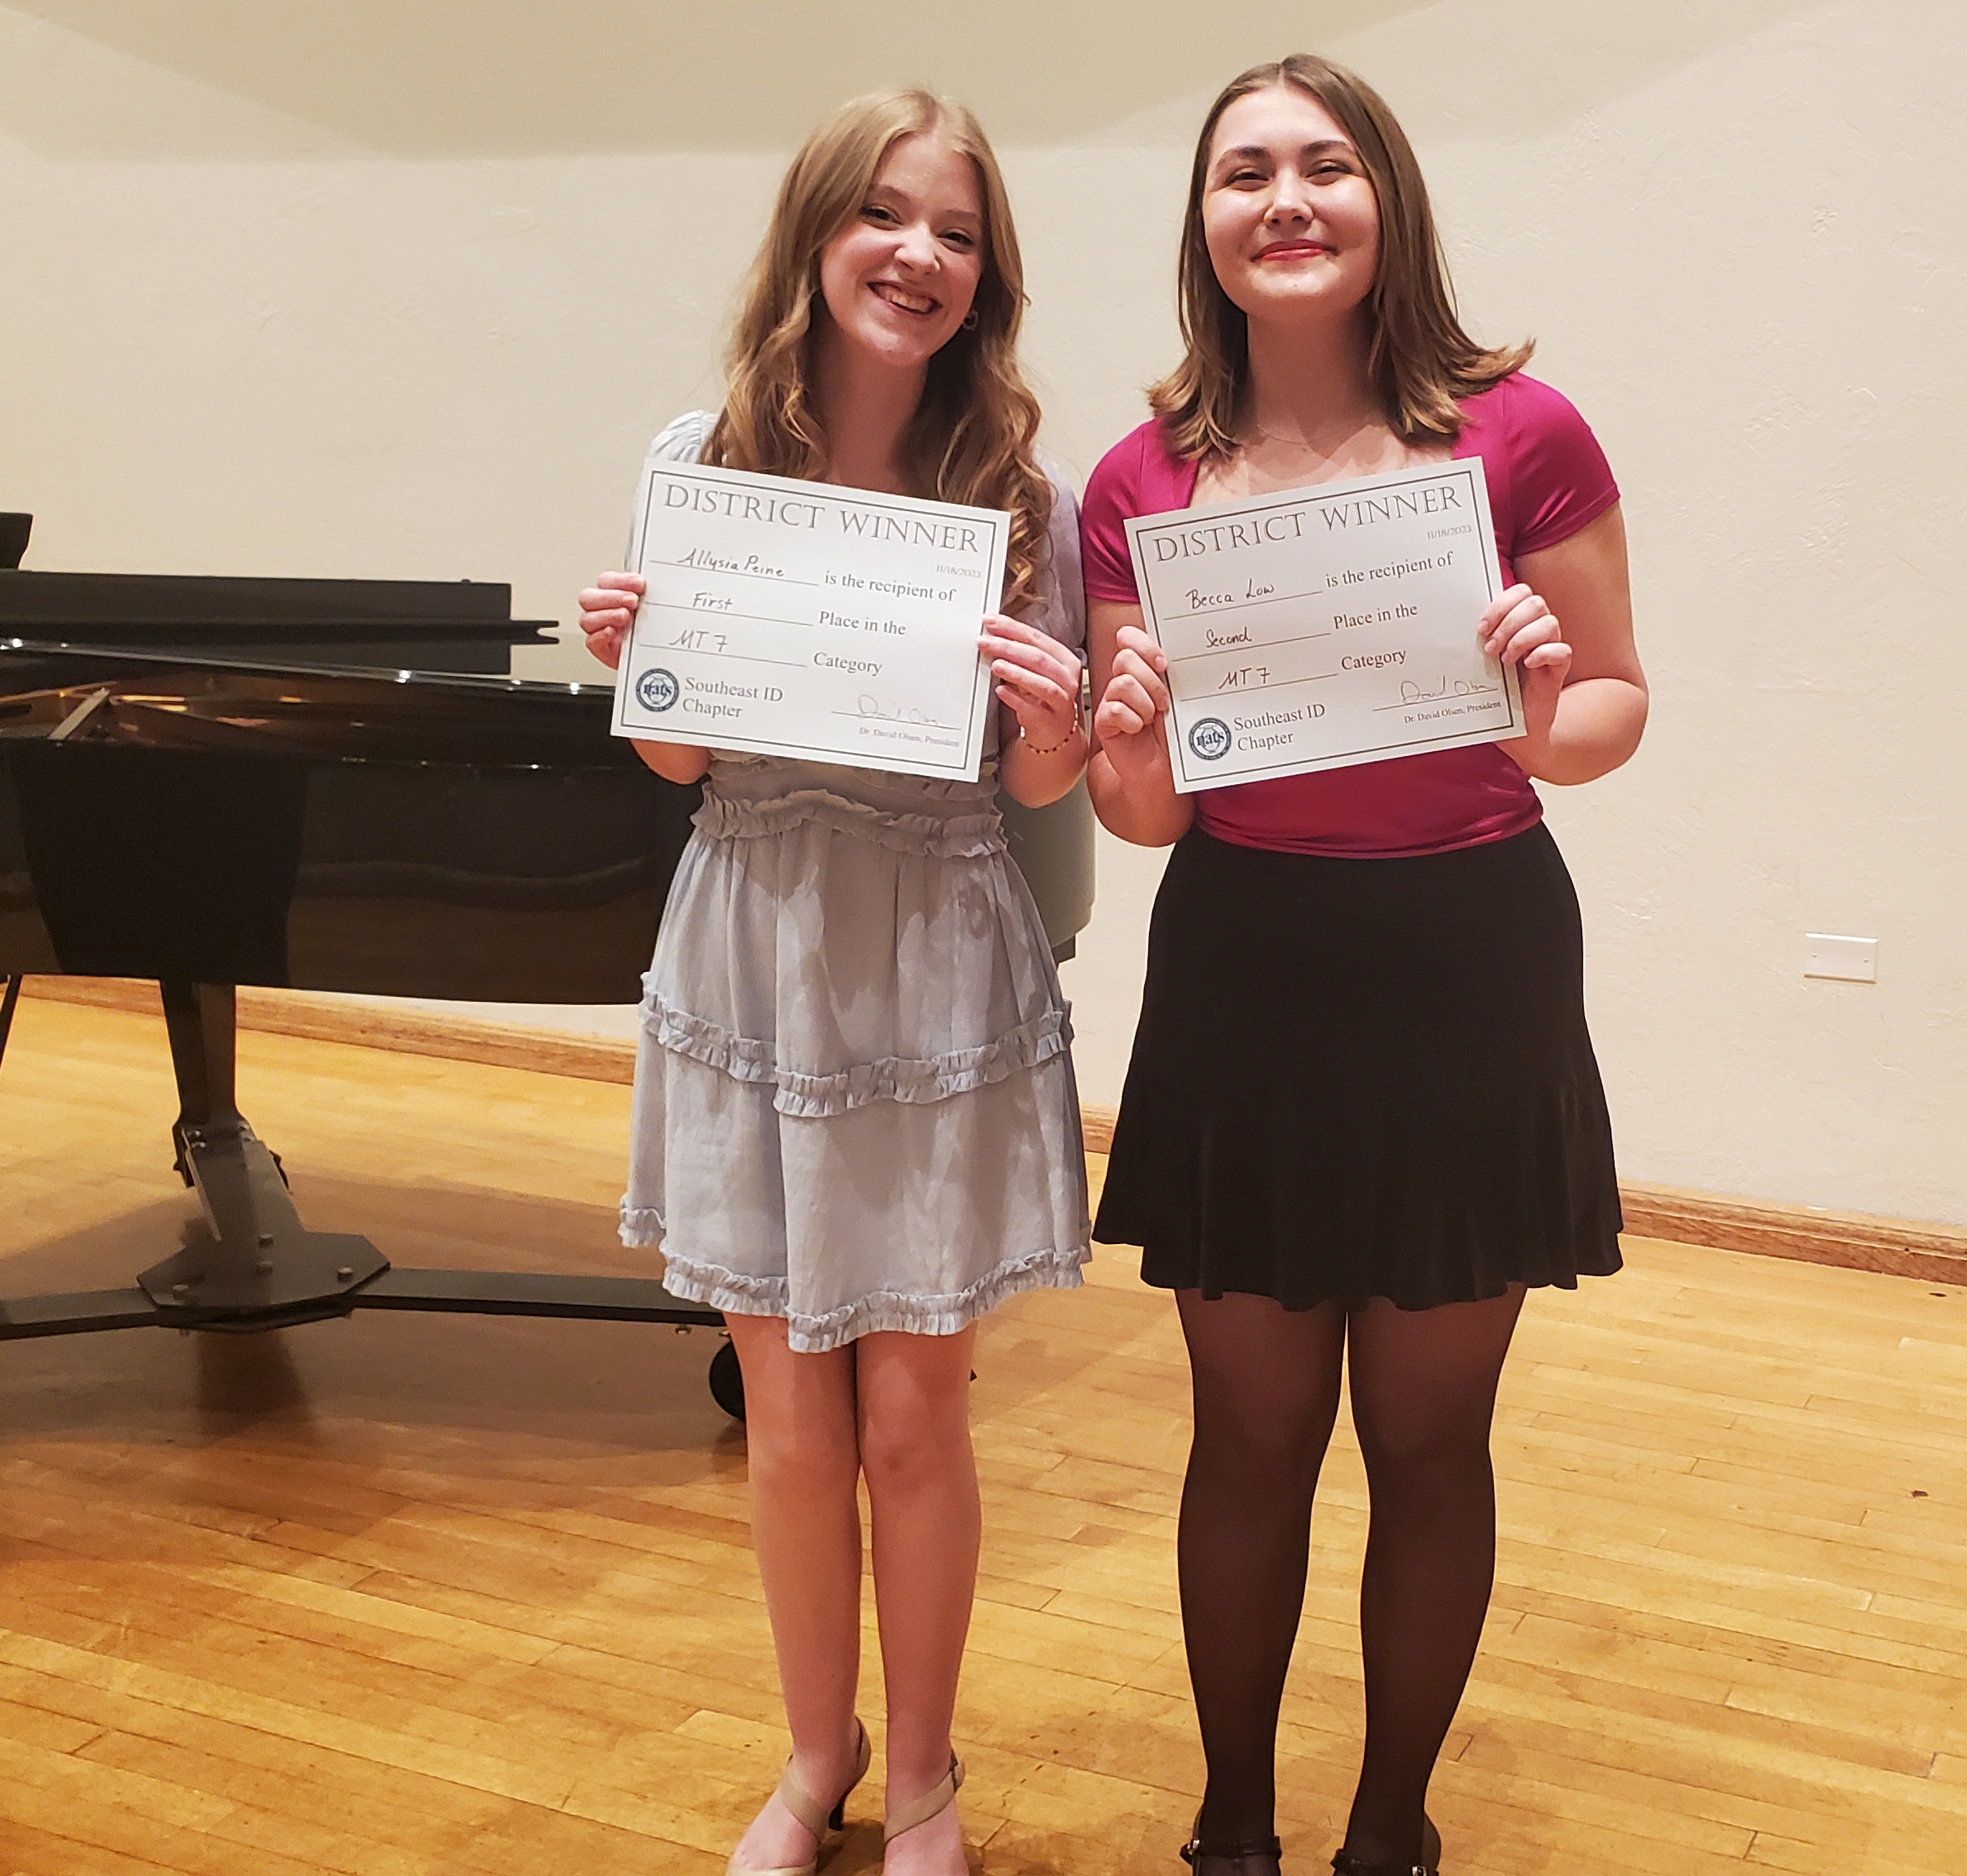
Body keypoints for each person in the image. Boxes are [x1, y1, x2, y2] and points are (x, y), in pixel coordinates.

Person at [1079, 53, 1648, 1876]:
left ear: (1386, 199)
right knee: (1245, 1440)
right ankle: (1233, 1828)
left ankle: (1390, 1829)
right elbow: (1145, 816)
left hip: (1467, 962)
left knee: (1427, 1442)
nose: (1287, 201)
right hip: (1245, 964)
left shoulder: (1523, 434)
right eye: (1244, 172)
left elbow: (1614, 710)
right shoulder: (1142, 477)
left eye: (1326, 166)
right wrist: (1125, 736)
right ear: (1204, 225)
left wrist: (1540, 703)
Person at [573, 89, 1092, 1876]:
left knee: (916, 1413)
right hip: (758, 942)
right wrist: (641, 665)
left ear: (987, 278)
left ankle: (925, 1777)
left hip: (935, 949)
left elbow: (1042, 788)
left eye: (959, 231)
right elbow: (674, 760)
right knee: (788, 1411)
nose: (918, 254)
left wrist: (1055, 717)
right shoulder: (701, 457)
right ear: (814, 235)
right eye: (884, 213)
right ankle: (818, 1755)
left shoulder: (1018, 497)